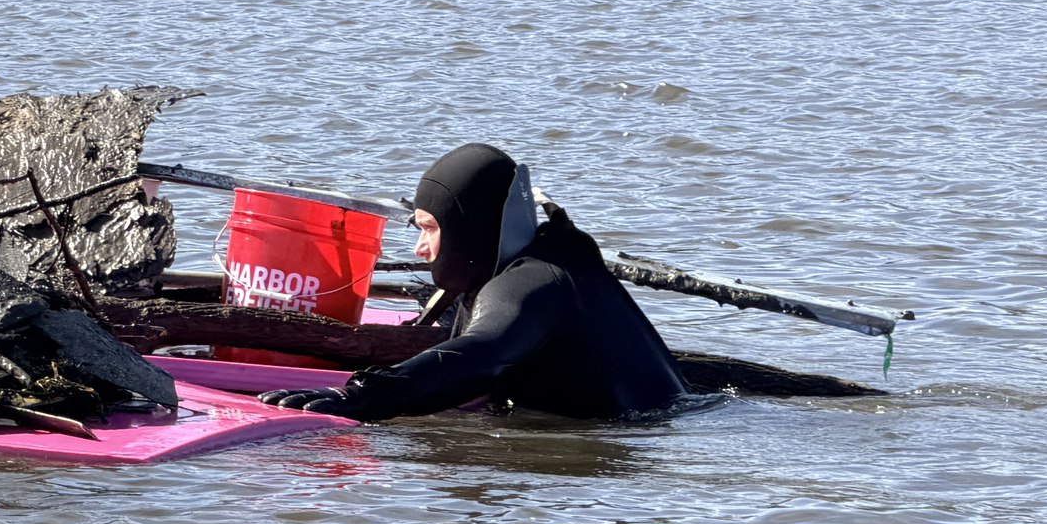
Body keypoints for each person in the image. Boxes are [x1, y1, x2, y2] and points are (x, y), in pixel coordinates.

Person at [259, 143, 710, 423]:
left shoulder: (534, 283)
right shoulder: (553, 262)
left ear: (470, 229)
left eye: (430, 228)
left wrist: (357, 398)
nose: (419, 249)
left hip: (636, 441)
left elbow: (482, 354)